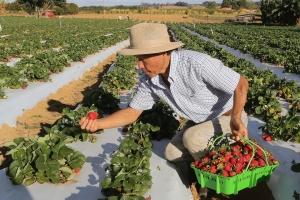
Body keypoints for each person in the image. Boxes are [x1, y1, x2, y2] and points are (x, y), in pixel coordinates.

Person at [79, 23, 248, 197]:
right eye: (137, 58)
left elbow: (241, 83)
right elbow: (132, 112)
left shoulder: (197, 63)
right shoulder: (150, 80)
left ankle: (217, 183)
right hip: (201, 122)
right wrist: (98, 123)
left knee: (193, 138)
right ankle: (200, 170)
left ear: (163, 53)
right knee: (172, 153)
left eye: (143, 58)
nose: (138, 65)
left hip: (228, 118)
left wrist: (236, 117)